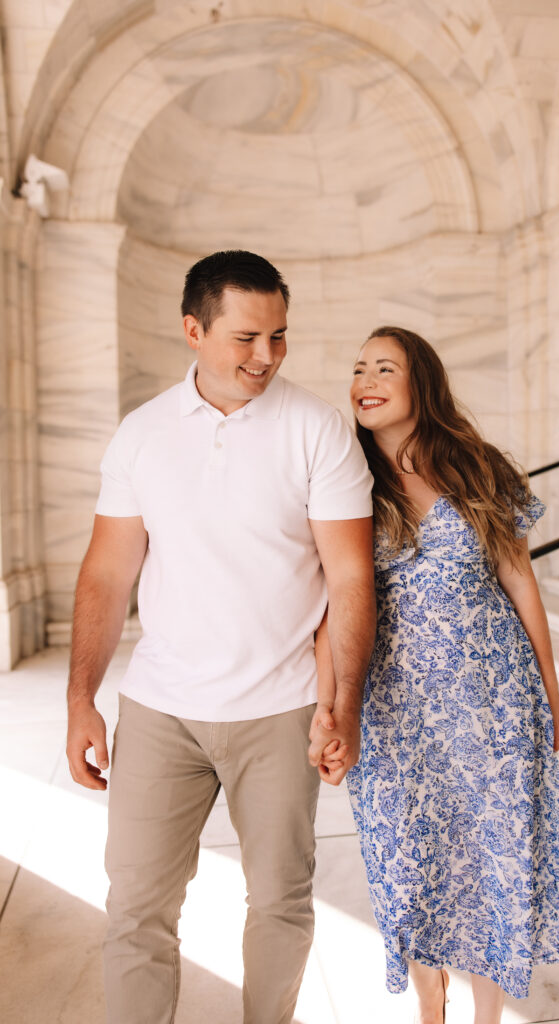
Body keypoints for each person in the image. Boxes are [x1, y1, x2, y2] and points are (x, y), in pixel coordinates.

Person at [65, 250, 376, 1024]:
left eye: (278, 336)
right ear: (193, 330)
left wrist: (342, 703)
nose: (266, 356)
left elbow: (350, 581)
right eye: (245, 338)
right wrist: (80, 700)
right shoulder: (141, 435)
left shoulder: (318, 430)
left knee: (279, 900)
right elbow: (107, 574)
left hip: (281, 710)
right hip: (162, 708)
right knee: (136, 907)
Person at [315, 326, 559, 1024]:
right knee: (404, 849)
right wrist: (328, 711)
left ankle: (485, 1013)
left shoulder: (478, 467)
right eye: (358, 369)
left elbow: (520, 581)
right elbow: (327, 606)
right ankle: (427, 996)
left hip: (492, 697)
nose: (365, 380)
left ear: (422, 384)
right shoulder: (341, 475)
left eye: (385, 367)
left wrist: (550, 692)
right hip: (394, 701)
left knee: (493, 847)